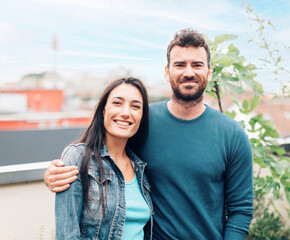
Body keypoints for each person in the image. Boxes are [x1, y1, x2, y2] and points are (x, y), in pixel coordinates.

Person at [45, 29, 253, 240]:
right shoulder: (141, 121)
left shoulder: (233, 135)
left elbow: (240, 210)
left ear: (209, 72)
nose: (188, 72)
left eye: (197, 65)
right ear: (167, 72)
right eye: (180, 64)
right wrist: (55, 173)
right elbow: (102, 152)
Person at [54, 77, 153, 240]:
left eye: (135, 106)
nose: (126, 112)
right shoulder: (78, 157)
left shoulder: (140, 167)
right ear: (103, 110)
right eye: (117, 103)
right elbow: (66, 234)